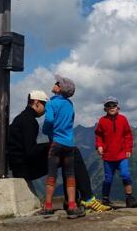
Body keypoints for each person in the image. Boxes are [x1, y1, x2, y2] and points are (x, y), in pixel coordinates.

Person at [7, 90, 110, 212]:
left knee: (66, 155)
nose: (45, 109)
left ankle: (70, 201)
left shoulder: (22, 118)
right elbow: (30, 151)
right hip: (25, 169)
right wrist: (51, 145)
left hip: (19, 166)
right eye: (44, 105)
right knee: (72, 152)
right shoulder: (29, 121)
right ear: (36, 103)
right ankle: (87, 198)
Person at [40, 75, 85, 219]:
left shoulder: (51, 103)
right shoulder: (70, 104)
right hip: (69, 144)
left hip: (56, 143)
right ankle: (72, 206)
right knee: (70, 174)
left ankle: (48, 206)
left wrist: (46, 131)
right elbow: (70, 120)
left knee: (52, 174)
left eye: (56, 83)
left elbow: (49, 120)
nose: (54, 84)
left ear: (60, 89)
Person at [95, 96, 137, 208]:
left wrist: (128, 149)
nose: (111, 107)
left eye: (113, 105)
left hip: (121, 154)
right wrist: (99, 146)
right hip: (108, 156)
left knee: (125, 175)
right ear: (105, 109)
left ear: (118, 107)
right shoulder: (102, 121)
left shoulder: (123, 119)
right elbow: (98, 135)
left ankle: (129, 198)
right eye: (109, 106)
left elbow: (128, 135)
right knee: (108, 179)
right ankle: (105, 199)